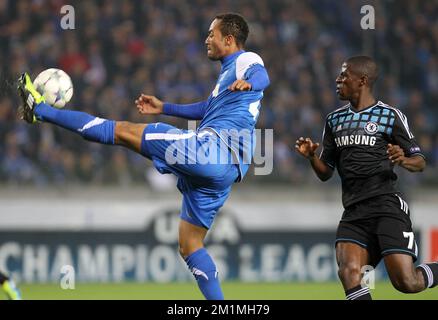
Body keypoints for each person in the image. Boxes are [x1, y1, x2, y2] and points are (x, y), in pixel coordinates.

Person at [17, 13, 269, 300]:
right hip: (228, 169)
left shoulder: (245, 60)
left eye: (212, 34)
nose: (206, 39)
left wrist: (251, 83)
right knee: (190, 244)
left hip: (212, 149)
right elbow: (206, 109)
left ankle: (39, 110)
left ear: (229, 39)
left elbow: (262, 75)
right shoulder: (226, 76)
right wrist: (164, 107)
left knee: (121, 131)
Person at [295, 56, 437, 300]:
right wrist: (312, 157)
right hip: (354, 211)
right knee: (349, 273)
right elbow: (326, 173)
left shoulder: (390, 116)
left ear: (361, 80)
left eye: (343, 75)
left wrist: (402, 159)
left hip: (386, 206)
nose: (338, 80)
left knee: (406, 283)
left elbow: (420, 162)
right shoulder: (334, 120)